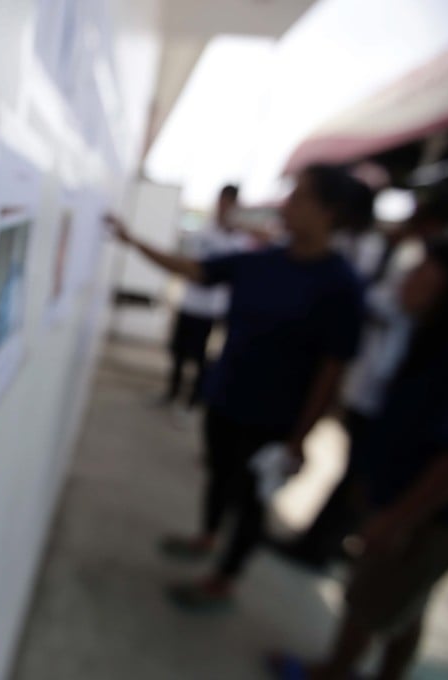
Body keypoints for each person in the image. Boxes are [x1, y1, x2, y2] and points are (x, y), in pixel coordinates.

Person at [106, 164, 366, 606]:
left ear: (329, 212)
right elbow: (194, 269)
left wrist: (300, 437)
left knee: (251, 500)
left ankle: (225, 578)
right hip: (226, 397)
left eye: (300, 197)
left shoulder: (341, 286)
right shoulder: (262, 261)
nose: (287, 205)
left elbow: (332, 370)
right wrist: (131, 240)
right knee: (219, 476)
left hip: (276, 419)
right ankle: (207, 537)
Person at [275, 239, 448, 680]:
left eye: (425, 267)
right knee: (405, 603)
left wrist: (396, 520)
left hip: (435, 514)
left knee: (368, 600)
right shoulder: (438, 336)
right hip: (412, 501)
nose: (408, 277)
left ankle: (332, 672)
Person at [277, 158, 448, 569]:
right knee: (359, 471)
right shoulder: (421, 251)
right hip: (381, 383)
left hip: (390, 389)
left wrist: (394, 522)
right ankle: (328, 542)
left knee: (363, 475)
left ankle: (323, 546)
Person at [162, 184, 251, 407]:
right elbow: (190, 264)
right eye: (221, 201)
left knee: (202, 357)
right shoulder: (204, 231)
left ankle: (193, 400)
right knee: (178, 351)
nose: (223, 207)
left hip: (212, 309)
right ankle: (172, 393)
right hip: (190, 302)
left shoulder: (239, 240)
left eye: (229, 203)